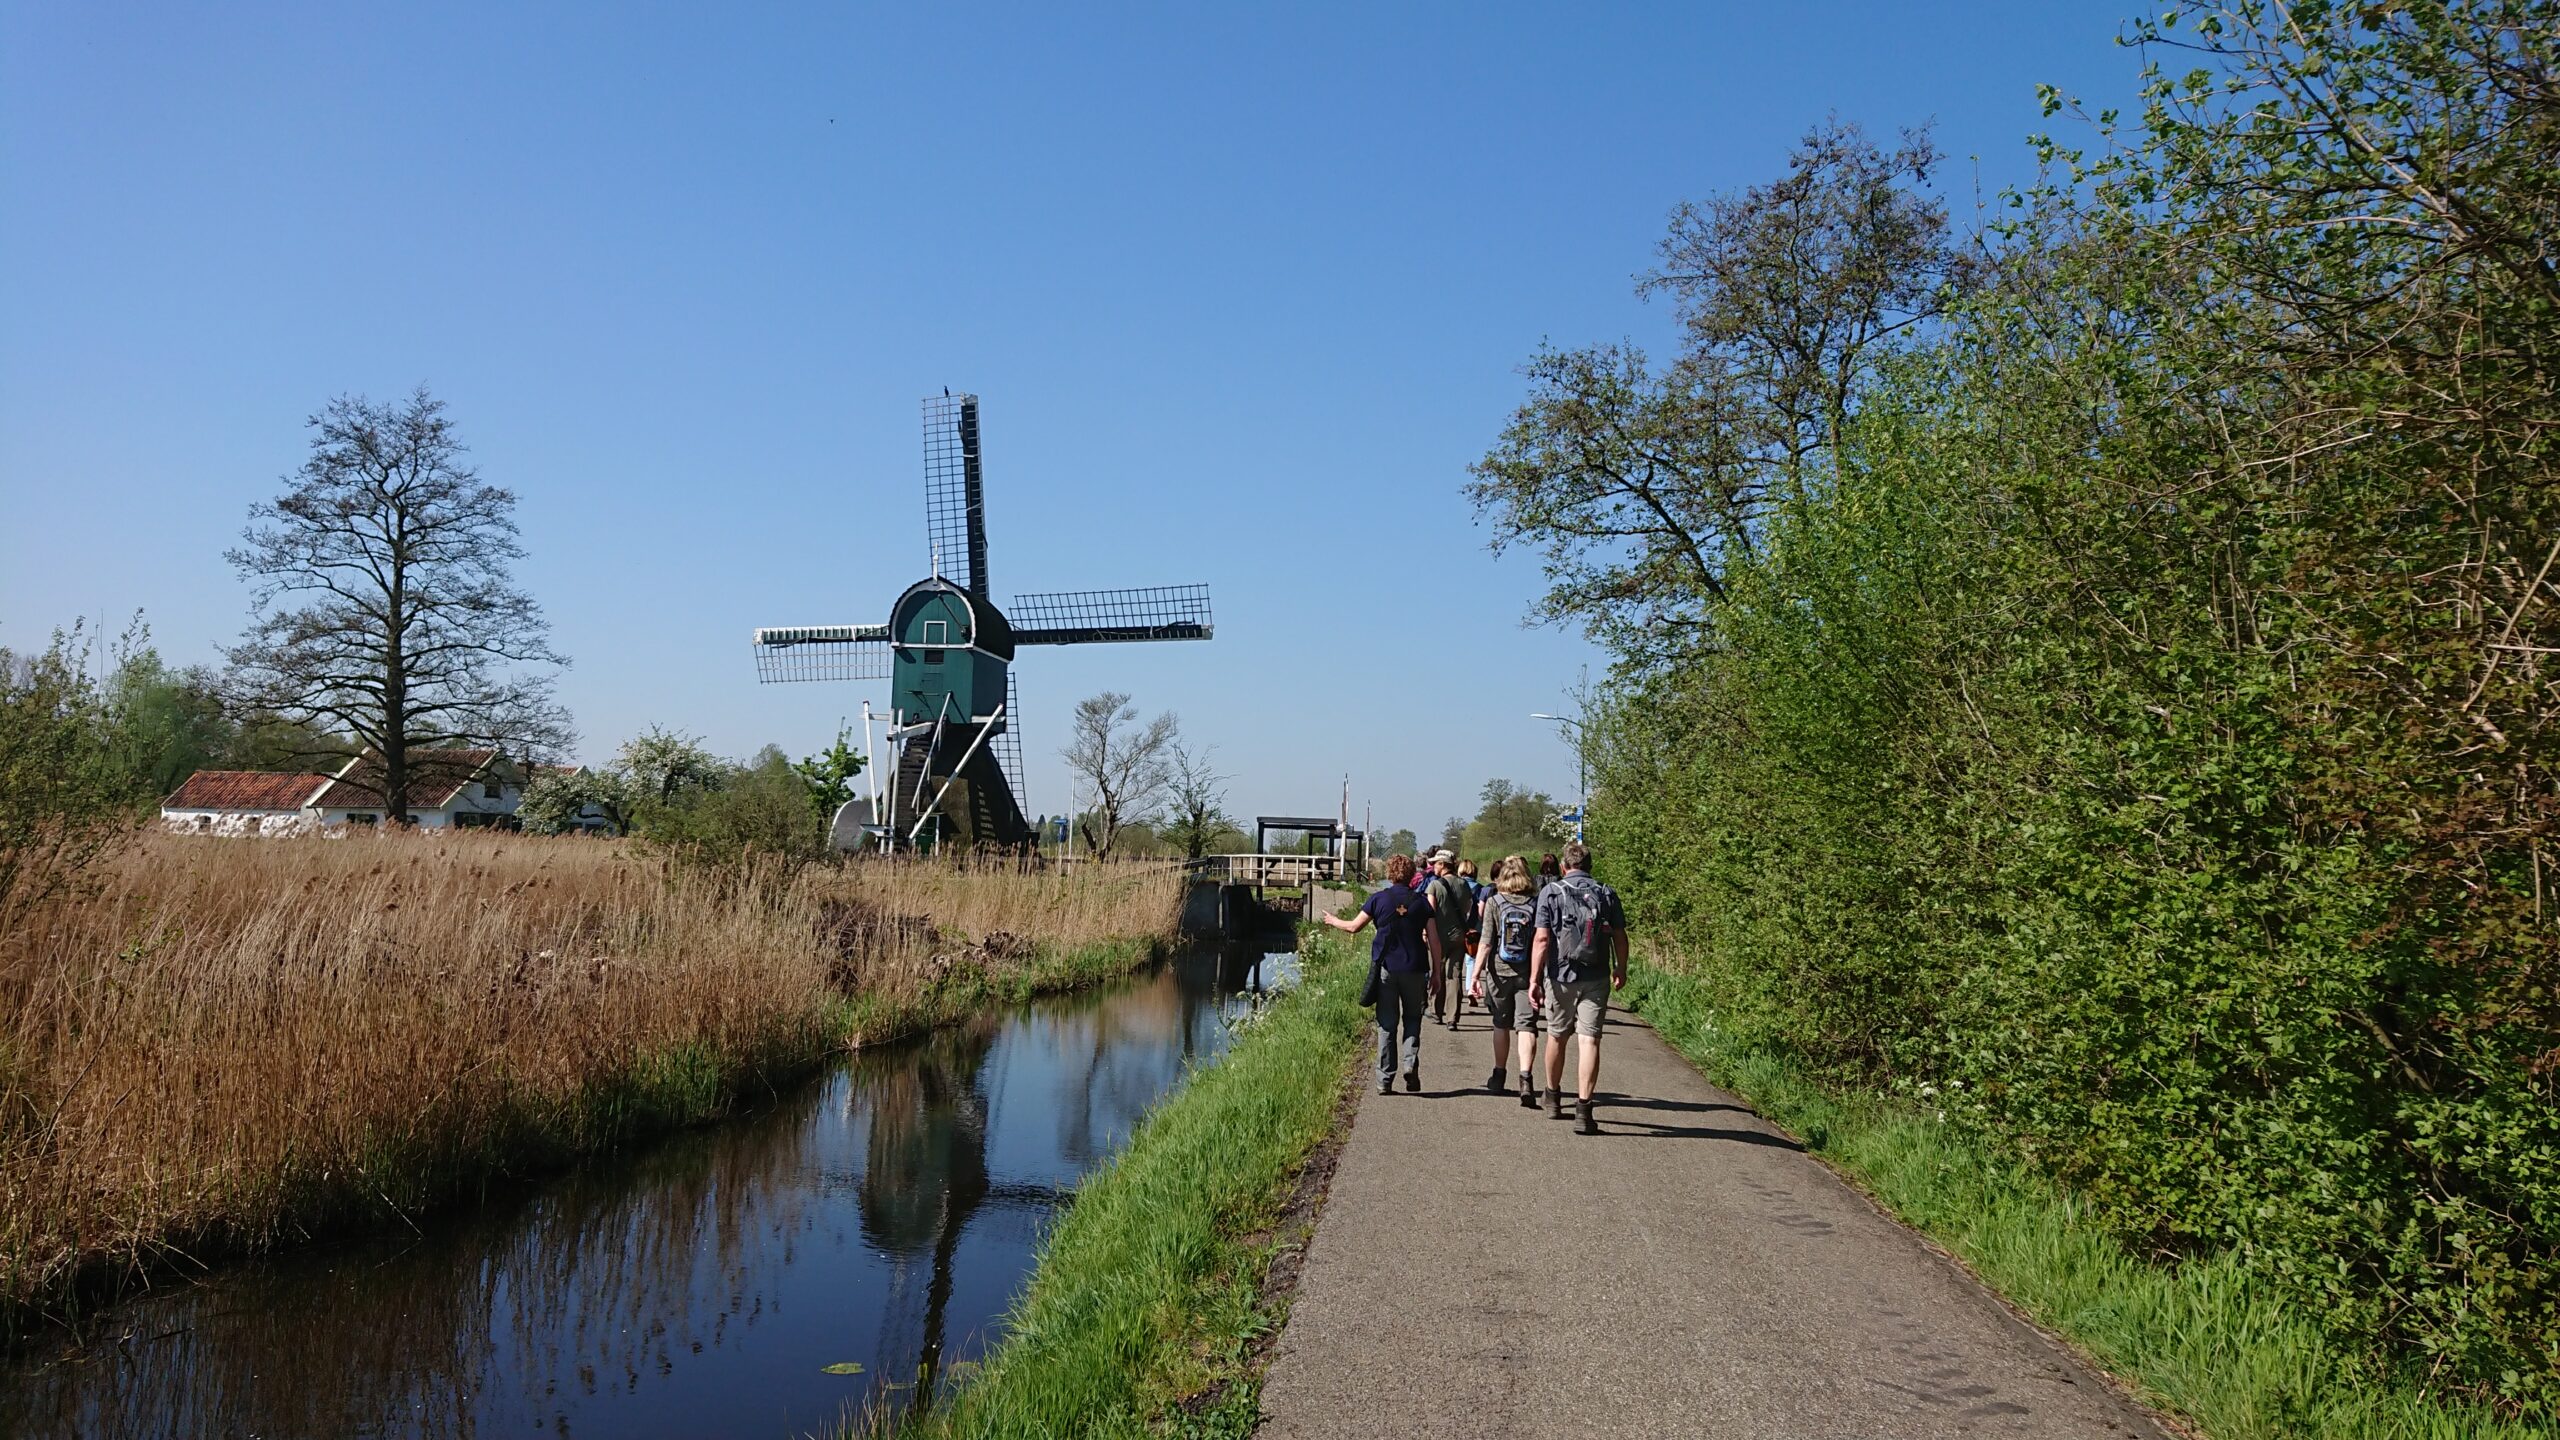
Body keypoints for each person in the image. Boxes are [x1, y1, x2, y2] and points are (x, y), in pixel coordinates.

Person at [1527, 841, 1629, 1135]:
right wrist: (1620, 968)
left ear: (1564, 866)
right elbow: (1620, 936)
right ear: (1590, 866)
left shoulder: (1551, 892)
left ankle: (1553, 1097)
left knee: (1557, 1037)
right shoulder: (1606, 893)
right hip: (1596, 975)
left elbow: (1542, 940)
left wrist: (1534, 979)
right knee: (1589, 1041)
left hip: (1561, 976)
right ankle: (1584, 1110)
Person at [1321, 853, 1442, 1094]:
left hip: (1387, 969)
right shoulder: (1421, 903)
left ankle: (1385, 1080)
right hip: (1416, 969)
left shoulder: (1378, 899)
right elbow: (1435, 940)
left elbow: (1354, 927)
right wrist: (1437, 971)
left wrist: (1334, 921)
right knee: (1412, 1019)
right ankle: (1409, 1064)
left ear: (1389, 873)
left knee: (1387, 1024)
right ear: (1411, 875)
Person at [1468, 855, 1541, 1103]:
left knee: (1501, 1024)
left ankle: (1499, 1076)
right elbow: (1542, 941)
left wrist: (1475, 975)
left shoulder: (1494, 901)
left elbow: (1486, 942)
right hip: (1528, 973)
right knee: (1527, 1026)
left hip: (1499, 972)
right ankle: (1526, 1079)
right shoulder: (1535, 902)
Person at [1420, 850, 1472, 1029]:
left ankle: (1436, 1011)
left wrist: (1426, 933)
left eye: (1435, 863)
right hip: (1458, 936)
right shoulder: (1463, 884)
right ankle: (1453, 1017)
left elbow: (1430, 912)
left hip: (1438, 936)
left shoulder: (1434, 885)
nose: (1433, 866)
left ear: (1443, 864)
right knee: (1455, 974)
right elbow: (1466, 909)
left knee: (1438, 971)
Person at [1454, 857, 1484, 1008]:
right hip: (1476, 928)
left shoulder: (1457, 886)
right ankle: (1471, 989)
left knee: (1461, 960)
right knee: (1472, 958)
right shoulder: (1480, 888)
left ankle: (1462, 989)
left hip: (1459, 926)